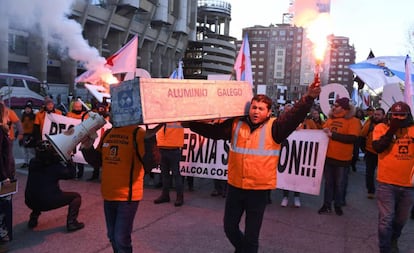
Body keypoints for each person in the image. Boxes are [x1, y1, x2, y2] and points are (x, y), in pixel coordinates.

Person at [187, 79, 321, 253]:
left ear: (268, 112)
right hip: (235, 187)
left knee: (252, 236)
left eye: (261, 108)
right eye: (254, 107)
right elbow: (214, 132)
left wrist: (308, 98)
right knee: (229, 228)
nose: (256, 111)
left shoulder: (276, 128)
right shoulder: (236, 124)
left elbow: (294, 115)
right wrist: (191, 124)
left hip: (258, 191)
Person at [81, 123, 163, 253]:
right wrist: (87, 147)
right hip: (108, 194)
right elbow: (98, 161)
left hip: (127, 197)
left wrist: (150, 140)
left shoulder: (138, 133)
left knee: (121, 238)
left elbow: (150, 164)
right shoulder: (108, 133)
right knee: (112, 236)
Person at [372, 101, 414, 253]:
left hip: (408, 184)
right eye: (395, 115)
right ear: (389, 115)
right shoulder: (381, 128)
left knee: (400, 220)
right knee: (386, 219)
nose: (397, 117)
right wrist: (392, 131)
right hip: (386, 182)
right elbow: (378, 147)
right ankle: (385, 249)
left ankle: (394, 239)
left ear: (408, 116)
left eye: (401, 115)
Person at [24, 140, 84, 232]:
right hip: (47, 202)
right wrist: (68, 160)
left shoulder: (33, 162)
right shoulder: (55, 167)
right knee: (76, 197)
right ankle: (72, 223)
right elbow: (71, 174)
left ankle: (33, 219)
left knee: (38, 193)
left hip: (29, 201)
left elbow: (47, 162)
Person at [318, 97, 361, 216]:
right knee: (328, 184)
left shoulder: (353, 121)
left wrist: (333, 135)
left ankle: (338, 205)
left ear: (345, 108)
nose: (333, 107)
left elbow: (353, 138)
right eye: (333, 105)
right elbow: (322, 132)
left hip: (342, 159)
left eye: (336, 105)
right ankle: (326, 205)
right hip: (328, 157)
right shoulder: (330, 119)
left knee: (339, 184)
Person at [153, 122, 186, 207]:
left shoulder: (177, 116)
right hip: (162, 147)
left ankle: (179, 197)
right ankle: (165, 195)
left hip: (173, 149)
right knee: (165, 174)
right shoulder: (163, 117)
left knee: (176, 174)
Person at [279, 103, 302, 208]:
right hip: (284, 152)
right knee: (286, 175)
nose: (288, 112)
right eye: (286, 110)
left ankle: (297, 196)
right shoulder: (280, 122)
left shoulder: (300, 122)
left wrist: (301, 130)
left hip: (297, 152)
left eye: (290, 110)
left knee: (296, 175)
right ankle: (285, 196)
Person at [360, 107, 386, 199]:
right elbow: (362, 135)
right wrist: (364, 149)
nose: (376, 116)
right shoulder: (369, 123)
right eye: (375, 114)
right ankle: (370, 191)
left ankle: (384, 192)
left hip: (383, 153)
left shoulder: (387, 125)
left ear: (384, 115)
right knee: (369, 173)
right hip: (370, 152)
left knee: (383, 174)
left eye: (378, 115)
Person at [0, 102, 16, 251]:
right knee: (3, 209)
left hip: (5, 174)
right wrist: (4, 176)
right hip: (3, 177)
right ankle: (2, 238)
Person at [66, 100, 87, 179]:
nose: (78, 108)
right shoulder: (69, 115)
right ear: (73, 107)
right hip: (71, 139)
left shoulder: (86, 115)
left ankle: (80, 174)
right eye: (76, 107)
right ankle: (71, 173)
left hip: (81, 139)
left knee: (80, 157)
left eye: (79, 107)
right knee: (70, 158)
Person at [19, 101, 37, 168]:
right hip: (24, 134)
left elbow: (35, 126)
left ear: (31, 109)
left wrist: (33, 135)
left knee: (31, 150)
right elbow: (21, 125)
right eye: (26, 108)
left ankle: (35, 161)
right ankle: (26, 162)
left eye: (29, 108)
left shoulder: (34, 116)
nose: (27, 110)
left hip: (30, 134)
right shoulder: (23, 116)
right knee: (24, 150)